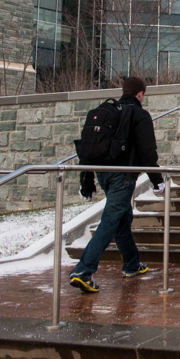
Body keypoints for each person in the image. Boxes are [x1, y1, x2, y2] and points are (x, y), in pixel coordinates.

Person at [69, 77, 165, 293]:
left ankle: (131, 264)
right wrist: (157, 181)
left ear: (124, 92)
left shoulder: (105, 112)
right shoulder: (139, 114)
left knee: (121, 218)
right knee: (111, 219)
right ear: (140, 94)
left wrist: (86, 182)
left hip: (103, 175)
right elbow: (148, 152)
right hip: (123, 176)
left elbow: (86, 149)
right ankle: (83, 270)